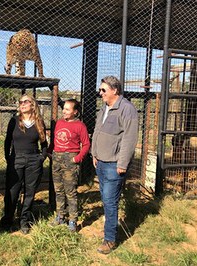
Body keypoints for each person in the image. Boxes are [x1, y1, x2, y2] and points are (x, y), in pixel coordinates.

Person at [91, 76, 139, 254]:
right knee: (106, 199)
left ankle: (110, 239)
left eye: (103, 90)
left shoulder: (127, 109)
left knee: (110, 201)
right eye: (100, 90)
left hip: (114, 165)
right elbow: (97, 131)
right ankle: (109, 228)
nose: (100, 93)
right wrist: (94, 153)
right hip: (101, 162)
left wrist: (123, 163)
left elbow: (130, 138)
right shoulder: (104, 108)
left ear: (114, 90)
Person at [0, 94, 48, 234]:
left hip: (34, 160)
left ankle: (24, 221)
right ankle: (7, 220)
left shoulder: (39, 122)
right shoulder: (14, 121)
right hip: (16, 159)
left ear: (32, 104)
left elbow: (44, 143)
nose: (22, 104)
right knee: (12, 191)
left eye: (25, 101)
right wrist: (8, 158)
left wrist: (42, 157)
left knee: (29, 192)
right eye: (20, 102)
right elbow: (8, 141)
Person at [49, 99, 90, 232]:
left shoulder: (80, 126)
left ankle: (72, 220)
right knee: (58, 190)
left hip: (70, 159)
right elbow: (54, 139)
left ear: (75, 112)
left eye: (67, 109)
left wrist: (77, 158)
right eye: (64, 109)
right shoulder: (59, 123)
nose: (64, 111)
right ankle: (60, 216)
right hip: (57, 158)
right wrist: (50, 152)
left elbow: (86, 144)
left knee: (70, 192)